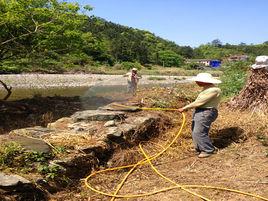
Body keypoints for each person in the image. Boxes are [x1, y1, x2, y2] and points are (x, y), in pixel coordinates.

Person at [178, 73, 222, 158]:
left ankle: (208, 150)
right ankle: (199, 148)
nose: (196, 82)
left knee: (200, 131)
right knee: (195, 131)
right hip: (201, 111)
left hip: (206, 112)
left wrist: (185, 107)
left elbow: (200, 102)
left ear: (204, 81)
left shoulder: (214, 90)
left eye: (198, 81)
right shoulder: (206, 88)